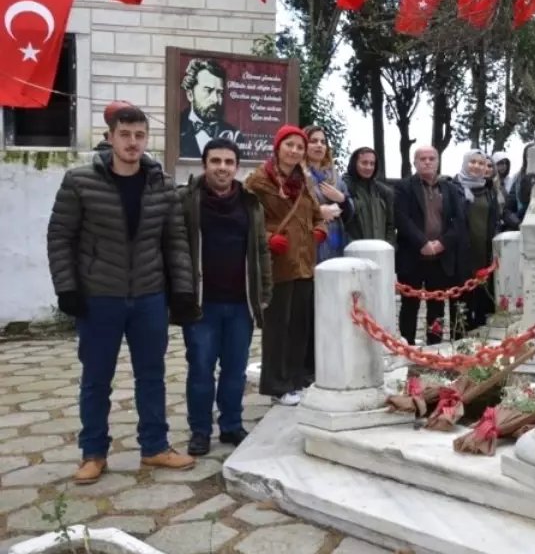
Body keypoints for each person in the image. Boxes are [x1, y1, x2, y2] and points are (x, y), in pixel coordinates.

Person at [46, 104, 198, 485]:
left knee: (152, 375)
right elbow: (60, 238)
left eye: (140, 135)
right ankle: (93, 453)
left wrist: (181, 290)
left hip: (149, 297)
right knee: (96, 379)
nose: (133, 142)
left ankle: (154, 447)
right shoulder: (80, 182)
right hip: (100, 298)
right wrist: (67, 288)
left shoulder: (161, 184)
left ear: (147, 139)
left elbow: (175, 241)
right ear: (110, 136)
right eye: (125, 134)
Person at [175, 140, 272, 456]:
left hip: (240, 303)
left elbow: (261, 250)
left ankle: (231, 425)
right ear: (204, 165)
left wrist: (264, 293)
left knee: (235, 369)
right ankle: (200, 430)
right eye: (215, 161)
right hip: (202, 303)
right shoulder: (187, 200)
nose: (222, 167)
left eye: (229, 162)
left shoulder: (250, 202)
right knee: (201, 368)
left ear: (237, 167)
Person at [244, 126, 327, 406]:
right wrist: (268, 238)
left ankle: (295, 380)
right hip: (277, 267)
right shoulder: (259, 181)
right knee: (278, 328)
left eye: (299, 147)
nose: (294, 151)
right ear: (278, 147)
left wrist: (319, 231)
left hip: (304, 265)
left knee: (299, 328)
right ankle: (276, 385)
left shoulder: (303, 182)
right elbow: (246, 219)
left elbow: (318, 215)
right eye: (289, 145)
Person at [395, 146, 465, 345]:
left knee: (437, 305)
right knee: (410, 304)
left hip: (441, 257)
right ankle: (406, 345)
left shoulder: (450, 188)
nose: (427, 162)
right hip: (413, 255)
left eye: (431, 158)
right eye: (422, 158)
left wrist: (442, 243)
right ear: (414, 162)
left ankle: (435, 345)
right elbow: (401, 218)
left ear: (437, 161)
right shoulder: (404, 187)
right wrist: (422, 243)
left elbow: (458, 221)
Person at [453, 150, 501, 331]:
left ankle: (479, 342)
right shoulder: (454, 188)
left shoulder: (488, 191)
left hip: (483, 253)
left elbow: (494, 220)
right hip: (462, 254)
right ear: (466, 163)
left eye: (481, 163)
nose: (477, 166)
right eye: (473, 162)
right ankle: (459, 339)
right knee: (462, 302)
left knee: (481, 299)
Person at [304, 126, 353, 262]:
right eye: (313, 141)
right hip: (310, 240)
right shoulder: (298, 174)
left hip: (336, 237)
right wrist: (318, 211)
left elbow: (350, 212)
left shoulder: (334, 175)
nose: (319, 145)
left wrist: (342, 199)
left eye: (323, 142)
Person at [179, 58, 241, 159]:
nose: (216, 100)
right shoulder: (178, 129)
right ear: (190, 94)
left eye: (219, 92)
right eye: (208, 91)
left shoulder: (235, 135)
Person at [344, 146, 395, 246]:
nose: (369, 167)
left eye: (372, 164)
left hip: (381, 252)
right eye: (364, 163)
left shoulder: (383, 191)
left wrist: (389, 246)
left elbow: (391, 225)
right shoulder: (344, 187)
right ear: (354, 163)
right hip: (353, 251)